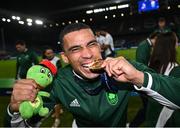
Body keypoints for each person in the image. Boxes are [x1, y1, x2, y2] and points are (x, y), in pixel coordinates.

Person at [5, 23, 180, 127]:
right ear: (65, 58)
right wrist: (15, 110)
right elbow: (24, 123)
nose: (88, 54)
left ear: (99, 46)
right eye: (75, 49)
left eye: (92, 44)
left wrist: (138, 77)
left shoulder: (124, 69)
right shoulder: (58, 81)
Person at [145, 32, 180, 127]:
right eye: (176, 41)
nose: (177, 44)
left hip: (151, 115)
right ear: (171, 46)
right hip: (166, 119)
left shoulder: (152, 64)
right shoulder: (175, 69)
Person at [130, 32, 160, 127]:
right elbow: (141, 66)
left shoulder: (147, 45)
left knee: (147, 107)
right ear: (155, 38)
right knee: (147, 108)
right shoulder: (144, 46)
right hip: (142, 81)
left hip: (143, 80)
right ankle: (133, 125)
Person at [42, 46, 63, 128]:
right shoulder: (43, 61)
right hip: (47, 84)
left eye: (52, 52)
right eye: (48, 53)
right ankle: (57, 111)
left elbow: (60, 71)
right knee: (51, 100)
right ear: (45, 54)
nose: (50, 54)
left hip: (56, 82)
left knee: (56, 100)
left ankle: (57, 119)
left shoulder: (57, 60)